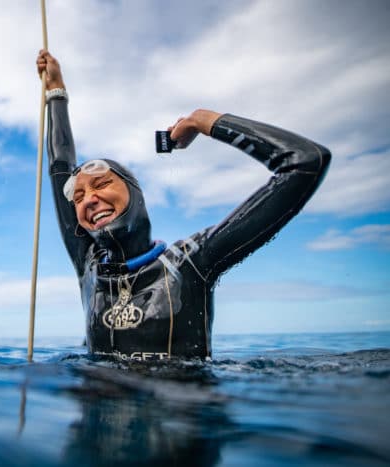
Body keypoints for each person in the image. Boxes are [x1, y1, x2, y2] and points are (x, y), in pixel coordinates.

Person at [36, 49, 331, 361]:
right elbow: (59, 166)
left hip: (183, 407)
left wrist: (203, 120)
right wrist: (56, 92)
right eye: (78, 198)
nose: (89, 200)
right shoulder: (90, 267)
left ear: (136, 193)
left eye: (102, 184)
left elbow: (304, 162)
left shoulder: (190, 262)